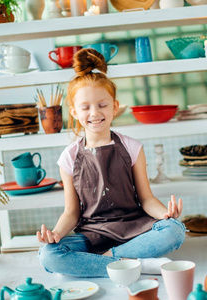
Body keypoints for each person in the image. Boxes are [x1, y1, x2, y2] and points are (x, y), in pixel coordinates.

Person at [37, 48, 186, 278]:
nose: (94, 112)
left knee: (175, 230)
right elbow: (72, 212)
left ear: (115, 107)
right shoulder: (68, 157)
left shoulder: (132, 147)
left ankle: (106, 261)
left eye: (102, 105)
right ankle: (137, 263)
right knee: (48, 254)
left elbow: (146, 199)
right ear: (74, 111)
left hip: (134, 227)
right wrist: (56, 232)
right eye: (85, 107)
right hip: (91, 233)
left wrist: (164, 214)